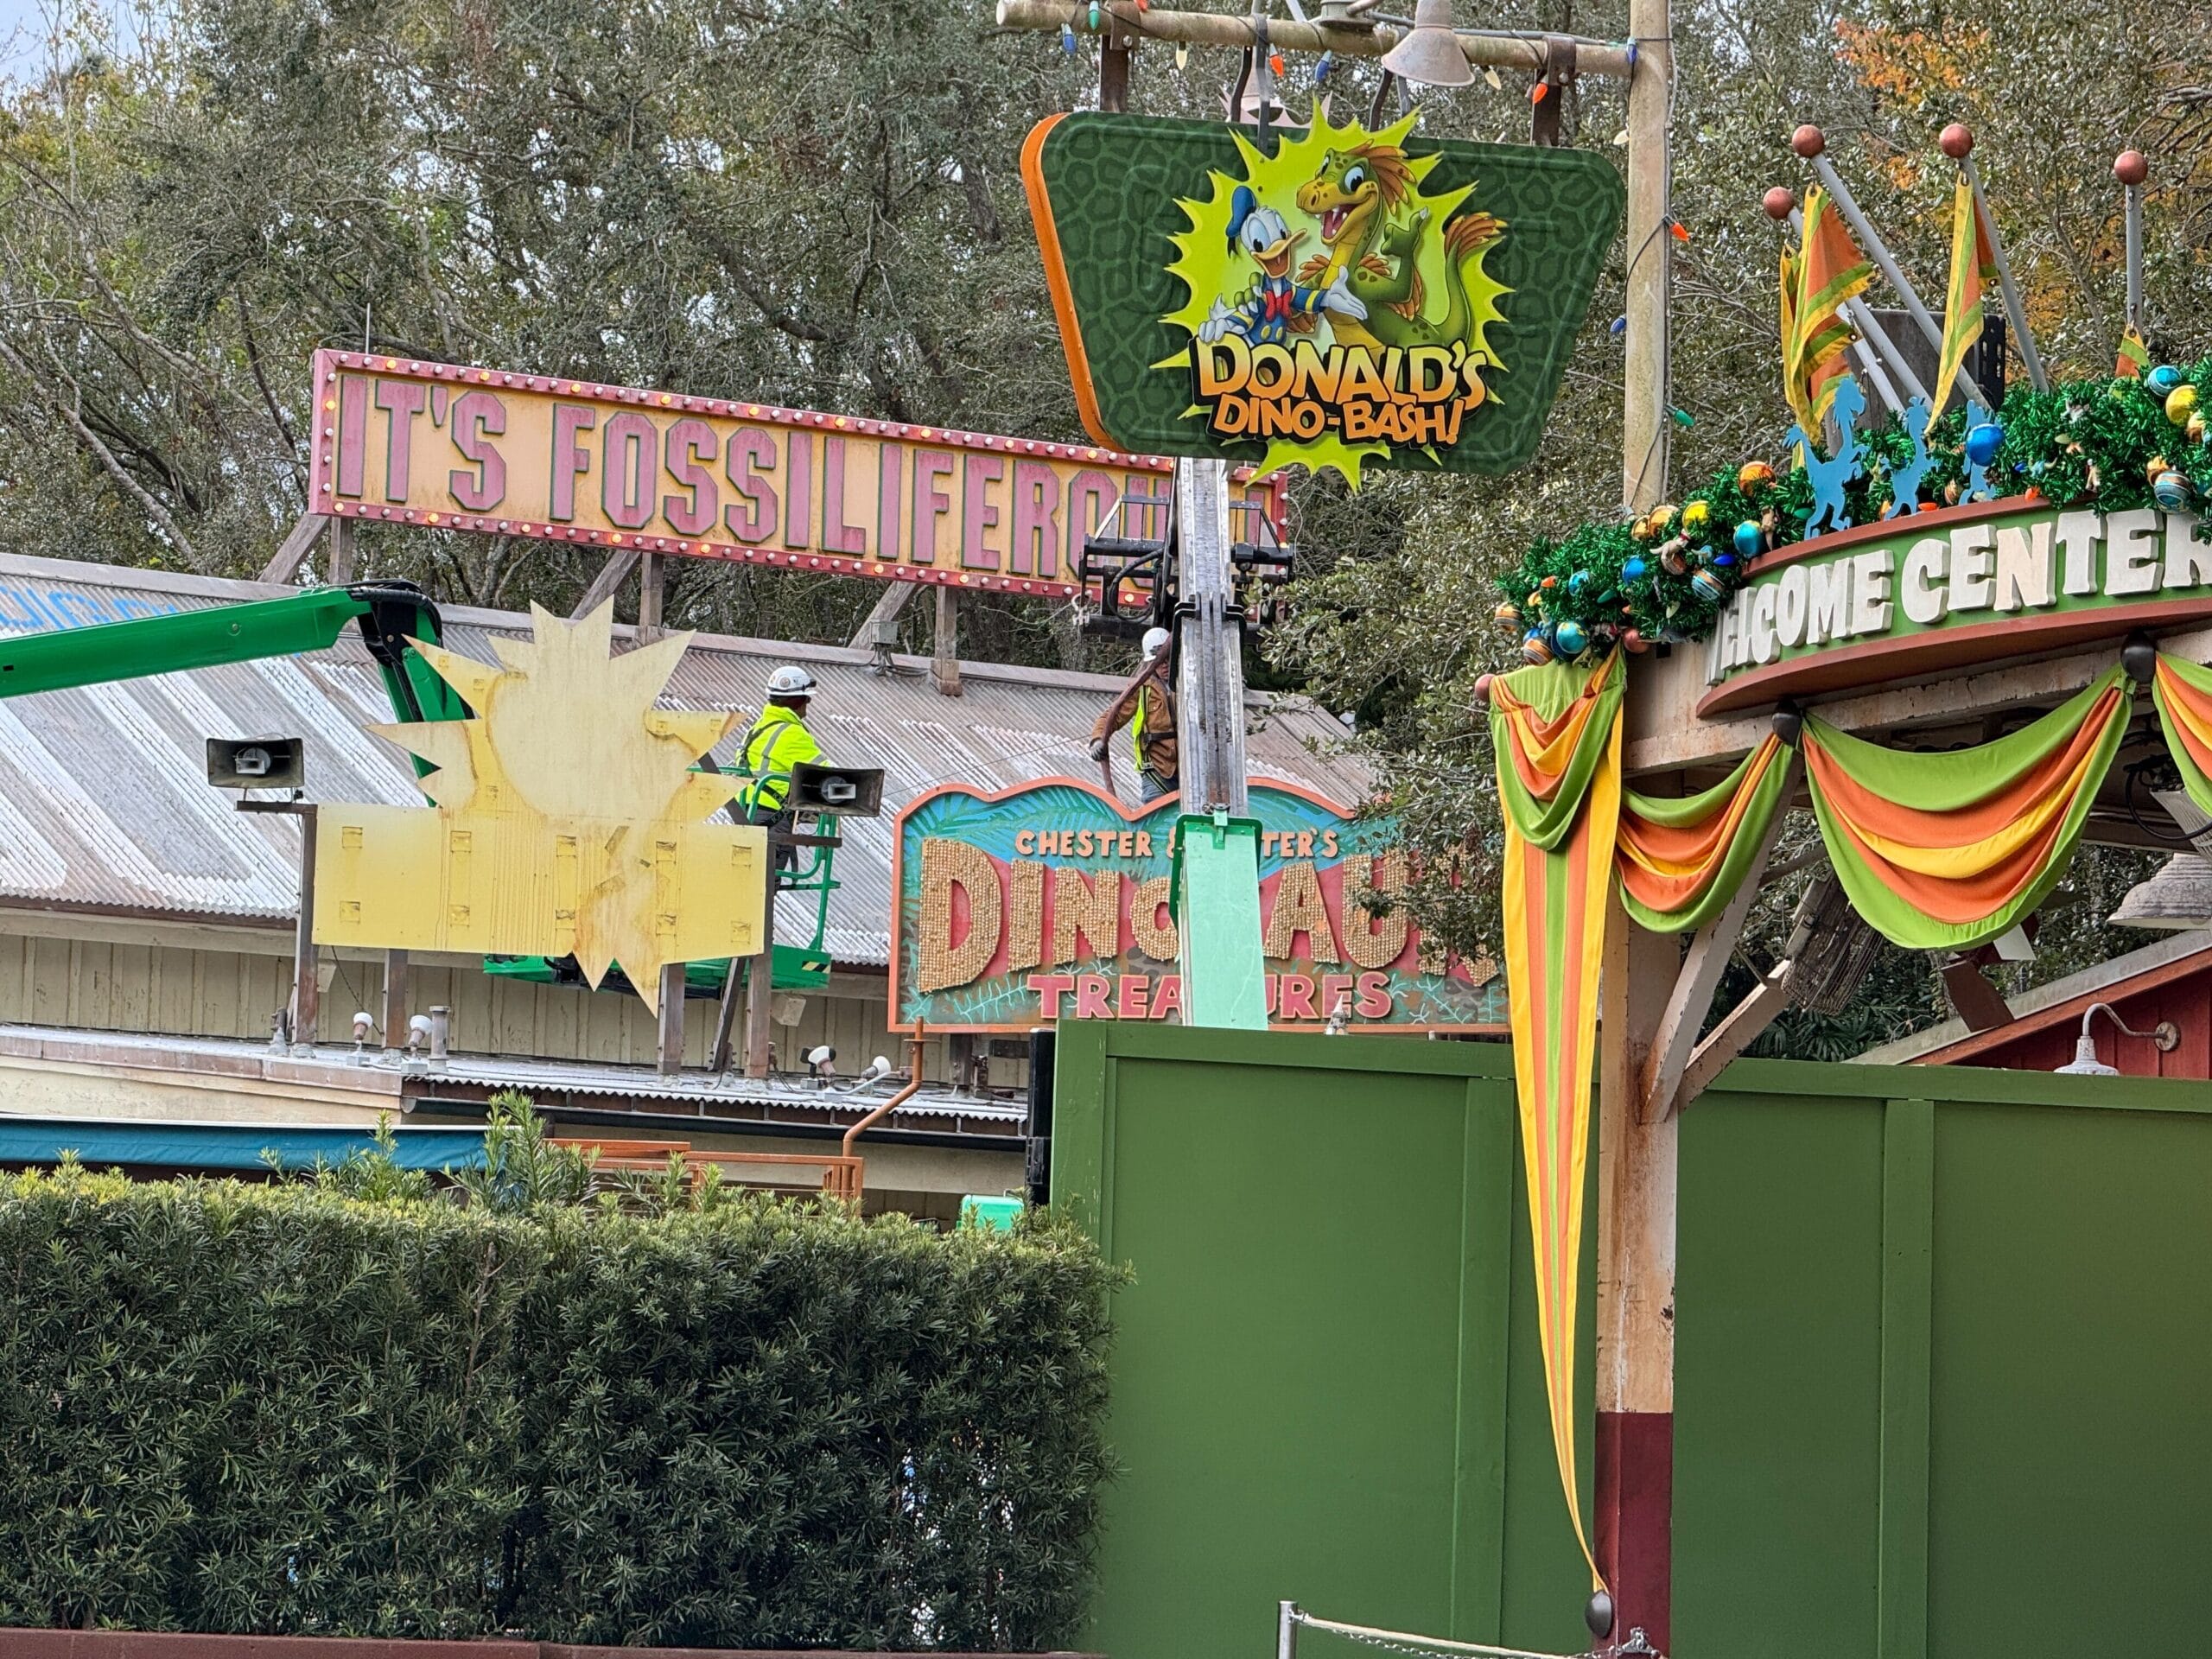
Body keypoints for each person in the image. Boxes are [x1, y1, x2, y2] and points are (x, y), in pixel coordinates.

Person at [741, 664, 823, 869]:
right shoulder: (791, 733)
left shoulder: (758, 728)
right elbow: (827, 776)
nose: (809, 702)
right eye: (807, 698)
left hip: (743, 815)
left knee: (745, 886)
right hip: (770, 820)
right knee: (765, 888)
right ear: (798, 700)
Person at [1090, 626, 1178, 802]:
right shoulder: (1142, 687)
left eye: (1168, 660)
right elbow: (1113, 715)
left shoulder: (1187, 683)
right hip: (1157, 770)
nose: (1165, 665)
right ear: (1151, 663)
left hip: (1188, 770)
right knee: (1154, 820)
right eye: (1160, 661)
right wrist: (1098, 740)